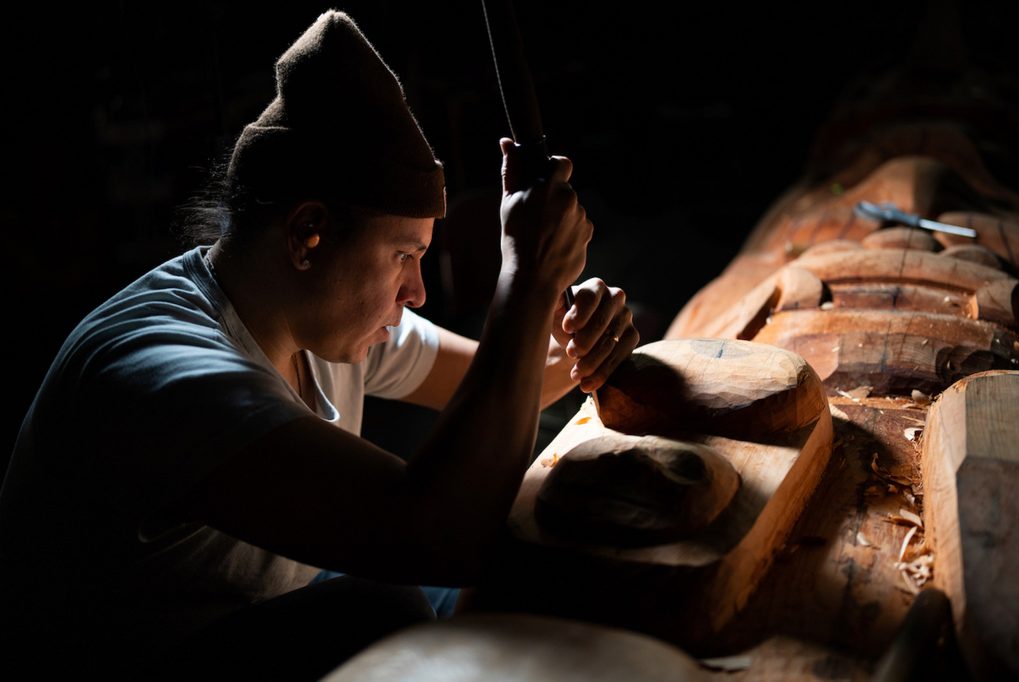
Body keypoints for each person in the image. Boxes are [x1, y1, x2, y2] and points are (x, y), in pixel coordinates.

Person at [0, 9, 638, 680]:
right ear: (309, 233)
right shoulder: (164, 374)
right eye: (402, 256)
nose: (415, 292)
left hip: (235, 627)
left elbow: (518, 382)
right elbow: (439, 535)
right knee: (382, 610)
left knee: (499, 581)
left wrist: (579, 340)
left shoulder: (319, 317)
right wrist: (527, 276)